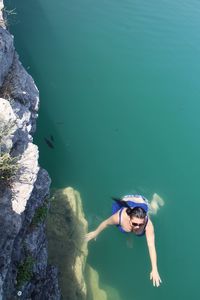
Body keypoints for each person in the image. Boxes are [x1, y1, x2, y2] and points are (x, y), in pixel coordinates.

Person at [85, 194, 162, 287]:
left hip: (141, 204)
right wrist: (96, 232)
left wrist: (154, 268)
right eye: (134, 223)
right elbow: (106, 223)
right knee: (126, 229)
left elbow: (151, 246)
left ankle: (155, 199)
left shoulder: (148, 225)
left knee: (153, 212)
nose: (138, 226)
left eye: (140, 224)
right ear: (129, 218)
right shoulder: (119, 217)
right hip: (129, 200)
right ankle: (129, 235)